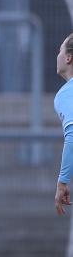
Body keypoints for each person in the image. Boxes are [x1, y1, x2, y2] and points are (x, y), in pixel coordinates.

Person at [53, 33, 73, 216]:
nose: (57, 55)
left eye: (60, 50)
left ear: (68, 57)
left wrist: (62, 182)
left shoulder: (66, 94)